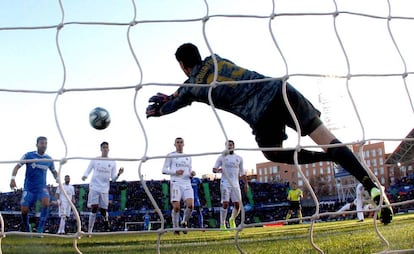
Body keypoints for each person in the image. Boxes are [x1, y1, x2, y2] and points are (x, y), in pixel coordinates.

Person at [146, 42, 392, 225]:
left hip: (262, 114)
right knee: (328, 140)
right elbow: (193, 81)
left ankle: (328, 158)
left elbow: (173, 103)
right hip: (280, 89)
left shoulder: (191, 88)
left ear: (181, 65)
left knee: (274, 153)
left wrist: (159, 109)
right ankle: (371, 186)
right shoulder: (214, 58)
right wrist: (176, 94)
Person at [10, 136, 58, 234]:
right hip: (29, 189)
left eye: (45, 143)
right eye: (42, 143)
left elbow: (54, 171)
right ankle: (27, 229)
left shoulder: (48, 159)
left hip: (42, 188)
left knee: (46, 202)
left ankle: (40, 230)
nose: (44, 145)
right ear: (37, 145)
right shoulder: (28, 156)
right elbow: (17, 166)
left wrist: (58, 179)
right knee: (24, 210)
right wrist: (13, 179)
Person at [82, 141, 124, 235]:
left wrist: (118, 174)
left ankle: (106, 220)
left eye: (106, 147)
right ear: (101, 149)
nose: (105, 149)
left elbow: (113, 179)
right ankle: (90, 231)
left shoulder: (112, 162)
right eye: (103, 147)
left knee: (103, 210)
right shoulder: (95, 159)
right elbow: (89, 168)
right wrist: (85, 175)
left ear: (108, 149)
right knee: (94, 207)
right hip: (94, 186)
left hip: (104, 188)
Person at [162, 137, 195, 235]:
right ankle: (175, 227)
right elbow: (163, 170)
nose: (179, 144)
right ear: (175, 144)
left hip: (187, 183)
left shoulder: (188, 157)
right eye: (178, 142)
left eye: (181, 142)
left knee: (190, 205)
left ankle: (184, 222)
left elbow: (188, 171)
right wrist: (175, 172)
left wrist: (191, 173)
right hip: (176, 183)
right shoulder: (170, 155)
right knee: (176, 207)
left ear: (184, 144)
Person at [213, 140, 248, 230]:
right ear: (225, 146)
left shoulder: (239, 158)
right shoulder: (221, 157)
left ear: (234, 146)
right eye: (228, 145)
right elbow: (214, 169)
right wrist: (217, 170)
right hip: (225, 183)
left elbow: (242, 172)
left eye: (231, 145)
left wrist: (246, 183)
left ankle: (232, 219)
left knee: (238, 205)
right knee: (225, 203)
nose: (230, 146)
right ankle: (222, 224)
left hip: (235, 184)